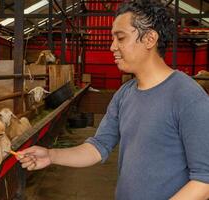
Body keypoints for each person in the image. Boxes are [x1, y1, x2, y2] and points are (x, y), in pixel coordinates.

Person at [16, 1, 209, 199]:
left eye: (121, 38)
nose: (112, 47)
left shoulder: (188, 97)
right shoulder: (125, 93)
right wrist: (51, 155)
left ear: (150, 38)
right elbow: (98, 147)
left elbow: (204, 182)